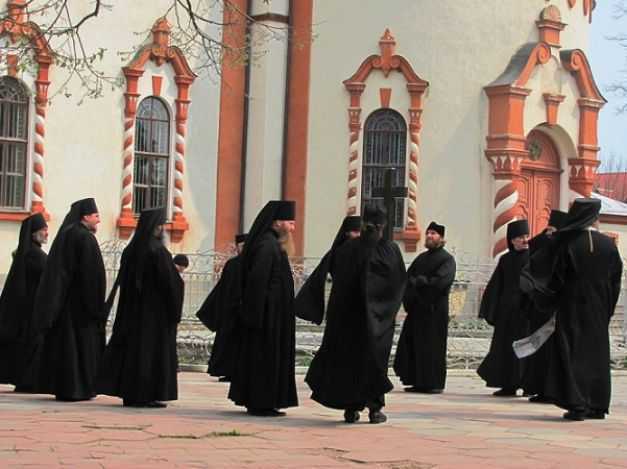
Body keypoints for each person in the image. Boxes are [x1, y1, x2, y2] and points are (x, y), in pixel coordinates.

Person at [305, 205, 406, 424]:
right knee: (375, 363)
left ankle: (351, 409)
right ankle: (375, 409)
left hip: (346, 319)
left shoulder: (346, 249)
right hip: (375, 321)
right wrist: (385, 310)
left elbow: (329, 272)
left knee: (349, 362)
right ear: (383, 226)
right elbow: (397, 282)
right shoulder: (390, 250)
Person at [523, 198, 622, 421]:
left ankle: (577, 405)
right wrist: (608, 307)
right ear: (594, 218)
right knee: (596, 354)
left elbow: (555, 277)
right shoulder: (608, 245)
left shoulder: (566, 243)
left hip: (571, 307)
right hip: (598, 308)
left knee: (571, 353)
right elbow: (616, 280)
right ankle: (596, 405)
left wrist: (547, 300)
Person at [97, 208, 184, 408]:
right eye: (161, 225)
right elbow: (170, 283)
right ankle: (145, 394)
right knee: (148, 354)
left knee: (132, 353)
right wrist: (173, 307)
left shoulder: (131, 249)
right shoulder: (157, 251)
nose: (162, 229)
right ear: (156, 227)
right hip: (154, 315)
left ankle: (130, 392)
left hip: (131, 312)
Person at [28, 198, 107, 401]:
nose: (98, 220)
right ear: (86, 216)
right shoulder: (84, 238)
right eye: (96, 216)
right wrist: (97, 306)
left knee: (67, 349)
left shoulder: (65, 235)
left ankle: (65, 388)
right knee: (79, 350)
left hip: (63, 304)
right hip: (81, 306)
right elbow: (91, 275)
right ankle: (78, 389)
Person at [227, 201, 298, 417]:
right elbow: (258, 283)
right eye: (289, 222)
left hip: (271, 314)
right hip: (267, 317)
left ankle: (263, 401)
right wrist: (259, 314)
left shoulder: (269, 243)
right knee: (264, 358)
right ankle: (261, 402)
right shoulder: (268, 246)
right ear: (277, 223)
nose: (292, 228)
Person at [394, 221, 456, 394]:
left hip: (434, 311)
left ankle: (433, 383)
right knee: (414, 346)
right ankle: (417, 381)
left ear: (441, 238)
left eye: (434, 234)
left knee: (432, 348)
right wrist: (413, 292)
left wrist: (422, 283)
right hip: (417, 311)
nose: (429, 236)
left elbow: (441, 282)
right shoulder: (420, 258)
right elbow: (407, 280)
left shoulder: (447, 260)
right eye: (428, 233)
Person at [477, 219, 530, 397]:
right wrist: (491, 309)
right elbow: (496, 286)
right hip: (507, 313)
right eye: (520, 237)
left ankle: (528, 384)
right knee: (505, 349)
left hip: (526, 311)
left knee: (525, 348)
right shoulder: (505, 259)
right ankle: (508, 384)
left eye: (526, 236)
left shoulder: (533, 257)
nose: (524, 240)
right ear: (512, 240)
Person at [521, 209, 567, 403]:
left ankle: (552, 391)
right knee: (539, 353)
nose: (550, 234)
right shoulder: (542, 246)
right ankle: (537, 387)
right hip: (540, 307)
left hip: (557, 310)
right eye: (548, 230)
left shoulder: (565, 250)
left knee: (553, 354)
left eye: (554, 231)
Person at [0, 213, 48, 391]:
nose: (46, 233)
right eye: (43, 229)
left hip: (26, 310)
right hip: (30, 310)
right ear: (34, 232)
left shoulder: (26, 252)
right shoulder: (35, 255)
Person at [196, 233, 247, 382]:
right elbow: (223, 288)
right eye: (241, 246)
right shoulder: (232, 264)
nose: (243, 249)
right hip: (230, 312)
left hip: (243, 311)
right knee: (227, 344)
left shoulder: (253, 263)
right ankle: (227, 371)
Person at [295, 216, 361, 325]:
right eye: (355, 232)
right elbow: (318, 277)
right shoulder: (338, 252)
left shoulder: (362, 251)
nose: (358, 235)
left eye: (360, 232)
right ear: (346, 233)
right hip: (340, 302)